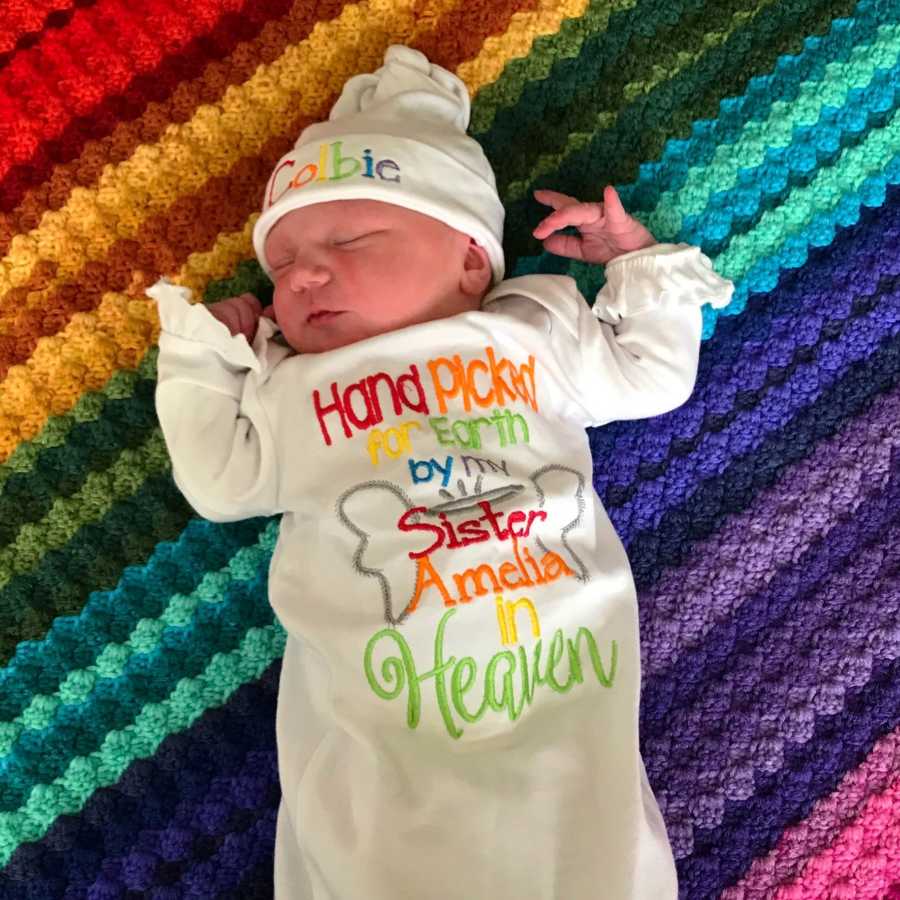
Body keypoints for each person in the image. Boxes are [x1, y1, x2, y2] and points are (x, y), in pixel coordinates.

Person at [149, 44, 733, 900]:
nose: (303, 276)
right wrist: (208, 362)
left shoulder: (529, 329)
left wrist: (635, 267)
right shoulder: (290, 384)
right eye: (279, 268)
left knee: (590, 842)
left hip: (557, 689)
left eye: (348, 238)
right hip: (385, 718)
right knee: (378, 845)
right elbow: (221, 480)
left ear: (469, 259)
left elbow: (650, 374)